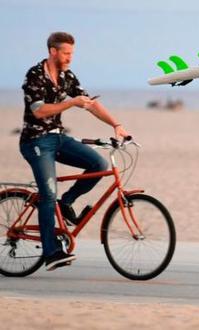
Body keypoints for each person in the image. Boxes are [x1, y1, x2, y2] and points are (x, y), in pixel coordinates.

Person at [19, 32, 129, 271]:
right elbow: (38, 111)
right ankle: (51, 253)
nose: (70, 58)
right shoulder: (34, 75)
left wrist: (115, 124)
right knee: (47, 194)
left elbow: (89, 103)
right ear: (53, 51)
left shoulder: (67, 76)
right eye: (66, 53)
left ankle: (67, 202)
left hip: (58, 138)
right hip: (35, 142)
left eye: (72, 53)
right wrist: (71, 103)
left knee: (98, 165)